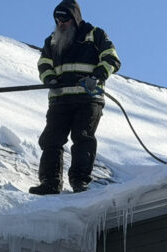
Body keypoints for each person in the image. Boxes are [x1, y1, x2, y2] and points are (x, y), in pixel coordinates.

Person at [29, 0, 121, 195]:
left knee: (82, 138)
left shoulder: (95, 35)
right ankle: (50, 183)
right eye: (57, 20)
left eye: (65, 20)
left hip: (88, 99)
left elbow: (112, 58)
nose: (60, 24)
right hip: (60, 99)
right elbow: (44, 64)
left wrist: (96, 77)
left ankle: (80, 182)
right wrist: (50, 80)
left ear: (75, 18)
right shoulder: (52, 40)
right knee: (51, 139)